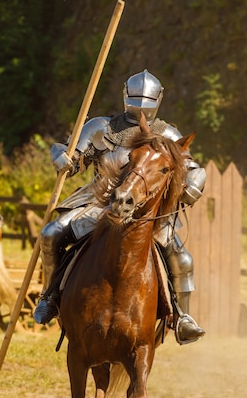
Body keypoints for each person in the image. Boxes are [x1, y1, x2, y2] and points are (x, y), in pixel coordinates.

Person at [33, 70, 206, 344]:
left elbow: (193, 168)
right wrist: (64, 158)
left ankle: (182, 316)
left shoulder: (168, 134)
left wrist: (193, 184)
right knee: (52, 234)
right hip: (100, 200)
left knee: (181, 258)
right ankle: (50, 297)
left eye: (145, 99)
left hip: (147, 209)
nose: (140, 104)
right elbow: (70, 153)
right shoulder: (101, 127)